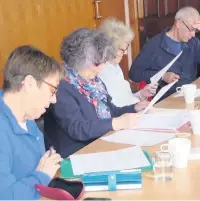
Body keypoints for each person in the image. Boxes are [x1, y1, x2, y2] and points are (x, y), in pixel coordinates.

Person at [44, 28, 147, 158]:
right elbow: (77, 128)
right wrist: (116, 123)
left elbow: (110, 111)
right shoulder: (61, 86)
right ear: (80, 61)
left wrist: (134, 108)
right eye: (97, 62)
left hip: (101, 143)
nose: (102, 66)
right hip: (77, 154)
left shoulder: (93, 81)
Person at [0, 45, 65, 199]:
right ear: (29, 84)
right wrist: (42, 175)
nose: (54, 99)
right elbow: (5, 196)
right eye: (52, 91)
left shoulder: (27, 117)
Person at [129, 6, 200, 99]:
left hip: (191, 97)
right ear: (179, 23)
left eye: (196, 30)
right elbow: (134, 73)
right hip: (166, 100)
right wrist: (162, 76)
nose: (193, 34)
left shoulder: (193, 43)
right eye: (191, 29)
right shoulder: (154, 45)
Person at [98, 18, 158, 107]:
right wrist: (136, 105)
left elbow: (125, 98)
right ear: (108, 48)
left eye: (126, 48)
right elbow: (117, 107)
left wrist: (141, 94)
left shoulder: (114, 66)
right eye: (122, 49)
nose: (125, 53)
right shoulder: (101, 71)